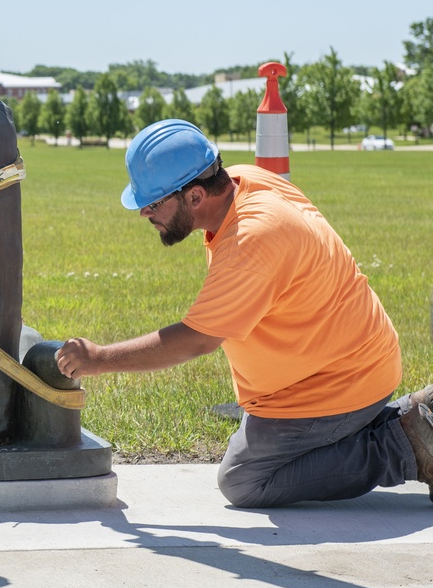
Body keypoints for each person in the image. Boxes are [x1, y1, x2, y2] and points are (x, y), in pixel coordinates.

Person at [56, 118, 433, 508]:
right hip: (347, 364)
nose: (144, 213)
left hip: (333, 384)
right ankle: (412, 420)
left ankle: (405, 446)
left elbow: (197, 340)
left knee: (245, 480)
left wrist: (98, 359)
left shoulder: (252, 239)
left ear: (196, 196)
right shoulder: (245, 181)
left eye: (153, 203)